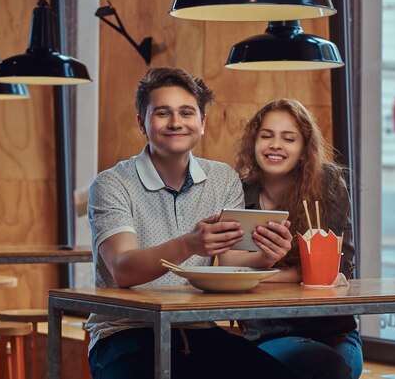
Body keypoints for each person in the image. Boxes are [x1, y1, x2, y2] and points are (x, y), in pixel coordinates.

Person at [85, 68, 298, 379]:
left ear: (202, 123)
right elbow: (123, 269)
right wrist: (190, 244)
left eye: (186, 112)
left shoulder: (222, 178)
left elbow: (231, 262)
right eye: (162, 113)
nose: (175, 122)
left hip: (198, 329)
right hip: (125, 334)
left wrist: (266, 255)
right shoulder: (112, 183)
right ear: (141, 122)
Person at [232, 98, 363, 379]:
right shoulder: (238, 192)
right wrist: (301, 273)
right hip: (267, 333)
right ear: (253, 142)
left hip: (333, 332)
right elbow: (231, 272)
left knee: (333, 366)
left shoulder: (327, 184)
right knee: (323, 366)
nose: (275, 144)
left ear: (304, 150)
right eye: (266, 136)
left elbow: (341, 268)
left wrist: (261, 272)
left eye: (289, 138)